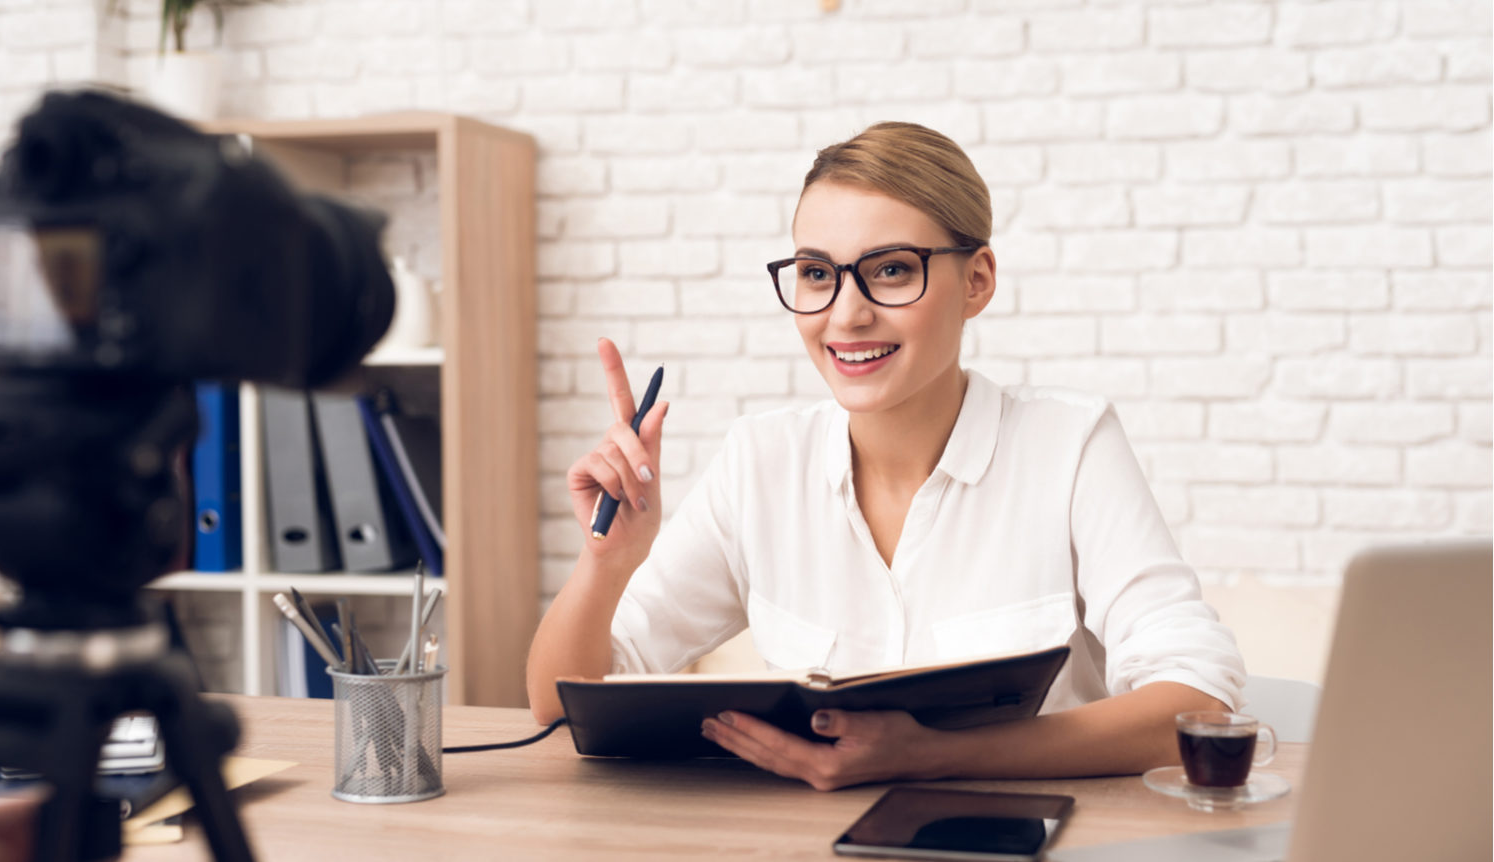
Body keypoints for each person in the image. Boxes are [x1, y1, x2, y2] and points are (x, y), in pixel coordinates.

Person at [526, 122, 1245, 791]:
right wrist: (606, 564)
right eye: (816, 273)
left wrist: (933, 755)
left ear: (977, 281)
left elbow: (1198, 700)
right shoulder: (760, 464)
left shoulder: (1071, 446)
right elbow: (560, 707)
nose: (846, 315)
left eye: (892, 270)